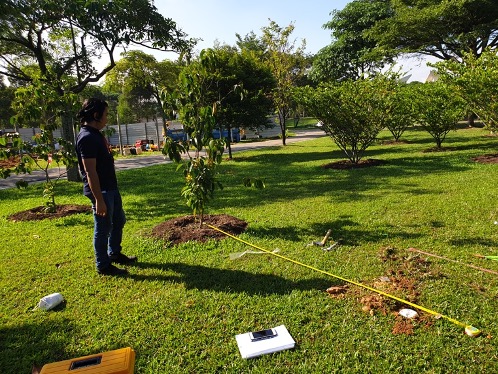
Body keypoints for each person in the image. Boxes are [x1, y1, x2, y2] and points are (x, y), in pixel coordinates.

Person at [76, 98, 137, 275]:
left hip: (110, 188)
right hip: (100, 191)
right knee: (103, 228)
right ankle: (103, 265)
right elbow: (90, 172)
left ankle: (114, 253)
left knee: (119, 221)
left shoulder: (95, 134)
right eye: (106, 114)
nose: (107, 118)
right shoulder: (87, 138)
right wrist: (98, 200)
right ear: (96, 115)